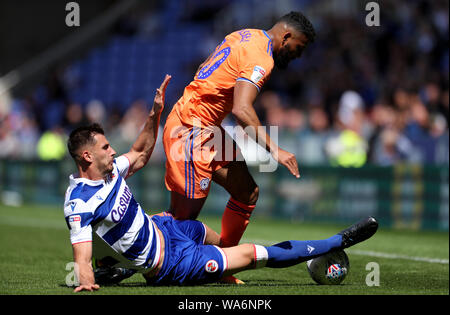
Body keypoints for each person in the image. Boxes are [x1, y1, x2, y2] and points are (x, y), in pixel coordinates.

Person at [64, 75, 378, 292]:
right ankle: (337, 242)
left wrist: (155, 113)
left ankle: (121, 267)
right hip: (172, 264)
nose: (113, 150)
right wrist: (86, 280)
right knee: (254, 255)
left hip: (167, 229)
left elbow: (139, 153)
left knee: (221, 242)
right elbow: (81, 257)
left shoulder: (110, 171)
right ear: (87, 157)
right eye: (106, 148)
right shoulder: (79, 204)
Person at [162, 13, 317, 280]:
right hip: (189, 128)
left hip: (205, 127)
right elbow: (242, 110)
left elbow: (206, 65)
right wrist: (275, 150)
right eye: (298, 48)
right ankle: (121, 247)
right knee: (182, 220)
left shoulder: (245, 34)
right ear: (287, 36)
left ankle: (226, 263)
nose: (297, 55)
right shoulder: (262, 58)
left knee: (246, 191)